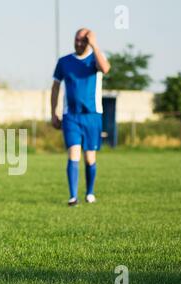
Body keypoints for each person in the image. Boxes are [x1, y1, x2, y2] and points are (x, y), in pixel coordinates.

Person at [51, 28, 111, 206]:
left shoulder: (95, 59)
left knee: (89, 157)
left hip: (92, 116)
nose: (78, 43)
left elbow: (106, 69)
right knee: (73, 154)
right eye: (76, 40)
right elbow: (55, 87)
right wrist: (53, 111)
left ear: (89, 42)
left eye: (83, 41)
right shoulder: (64, 62)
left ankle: (90, 193)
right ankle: (73, 197)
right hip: (71, 116)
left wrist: (95, 45)